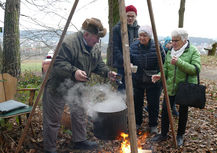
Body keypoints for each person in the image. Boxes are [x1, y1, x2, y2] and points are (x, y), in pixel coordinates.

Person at [42, 18, 117, 153]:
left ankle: (80, 141)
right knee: (53, 120)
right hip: (57, 85)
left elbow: (98, 64)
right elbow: (57, 63)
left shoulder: (94, 46)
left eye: (99, 39)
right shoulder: (69, 43)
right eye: (96, 38)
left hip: (77, 86)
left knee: (79, 113)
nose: (97, 42)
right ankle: (50, 149)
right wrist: (74, 72)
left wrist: (107, 73)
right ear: (86, 35)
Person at [151, 28, 201, 147]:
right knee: (165, 111)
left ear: (184, 40)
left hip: (185, 88)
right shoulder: (170, 52)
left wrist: (179, 62)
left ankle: (180, 135)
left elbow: (195, 69)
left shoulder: (193, 51)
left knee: (183, 112)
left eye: (176, 40)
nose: (173, 43)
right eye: (172, 40)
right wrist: (159, 75)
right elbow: (166, 69)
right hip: (170, 87)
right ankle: (163, 134)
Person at [130, 25, 165, 134]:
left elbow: (163, 62)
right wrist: (130, 64)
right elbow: (129, 58)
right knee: (137, 102)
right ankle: (137, 123)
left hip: (153, 79)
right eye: (140, 35)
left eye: (145, 35)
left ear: (149, 36)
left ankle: (153, 125)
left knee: (153, 103)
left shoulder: (157, 45)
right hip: (137, 78)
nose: (142, 38)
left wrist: (159, 74)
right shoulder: (134, 46)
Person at [113, 5, 140, 92]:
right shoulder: (117, 29)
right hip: (121, 64)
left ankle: (132, 105)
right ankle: (120, 105)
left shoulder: (138, 29)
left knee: (134, 88)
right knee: (122, 87)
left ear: (135, 16)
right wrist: (125, 61)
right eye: (128, 16)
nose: (130, 18)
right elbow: (115, 48)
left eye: (132, 16)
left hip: (134, 64)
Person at [163, 36, 179, 117]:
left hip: (170, 79)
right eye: (169, 42)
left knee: (171, 98)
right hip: (165, 77)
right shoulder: (164, 51)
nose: (171, 44)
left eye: (171, 42)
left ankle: (174, 111)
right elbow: (164, 66)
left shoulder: (172, 52)